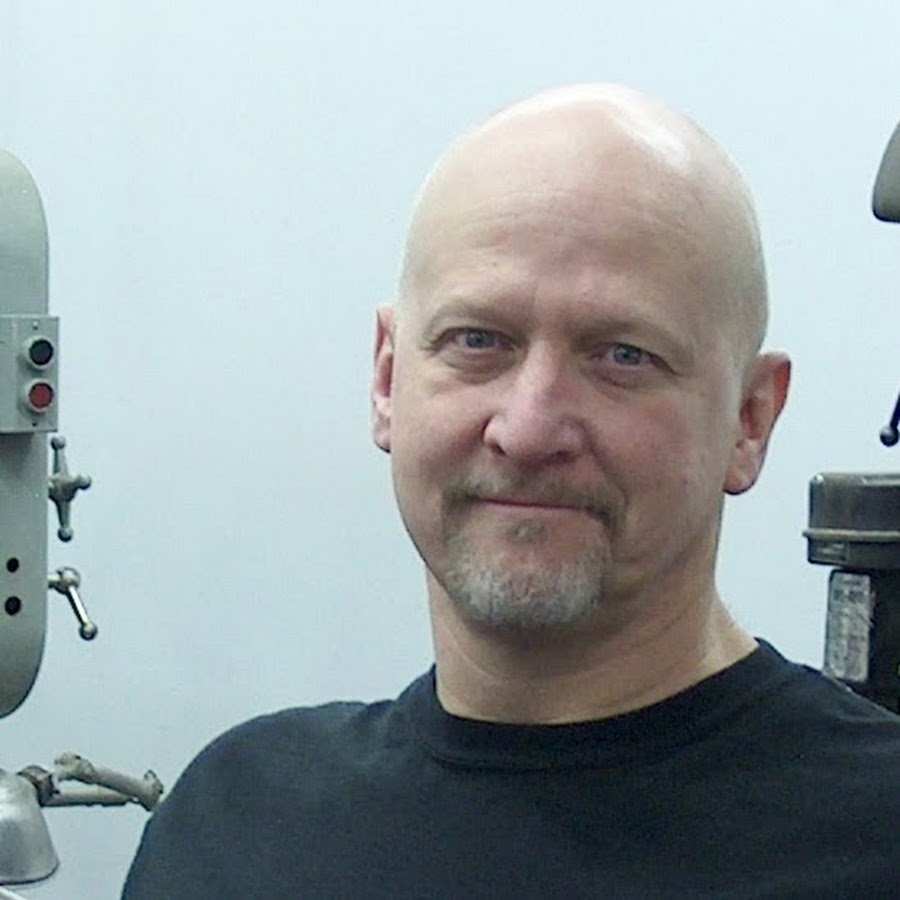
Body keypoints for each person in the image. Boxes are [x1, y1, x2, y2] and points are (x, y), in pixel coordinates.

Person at [123, 84, 900, 898]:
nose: (527, 430)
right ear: (388, 379)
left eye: (622, 355)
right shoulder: (235, 830)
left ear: (749, 420)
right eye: (477, 340)